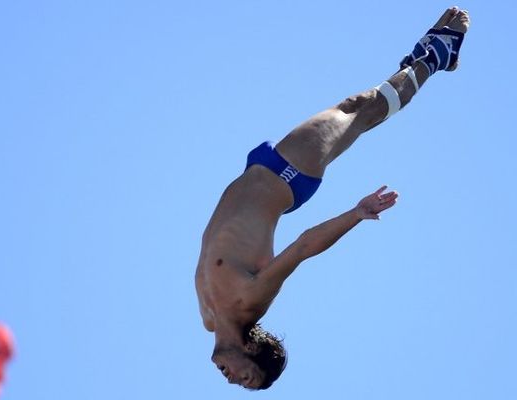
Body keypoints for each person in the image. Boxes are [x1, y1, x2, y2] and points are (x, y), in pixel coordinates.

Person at [195, 7, 470, 390]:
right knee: (361, 110)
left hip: (260, 170)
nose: (233, 382)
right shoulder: (250, 302)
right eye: (247, 379)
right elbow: (303, 247)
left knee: (360, 107)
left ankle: (422, 63)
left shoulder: (210, 317)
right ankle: (435, 56)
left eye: (243, 383)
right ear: (253, 351)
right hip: (288, 176)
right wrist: (355, 214)